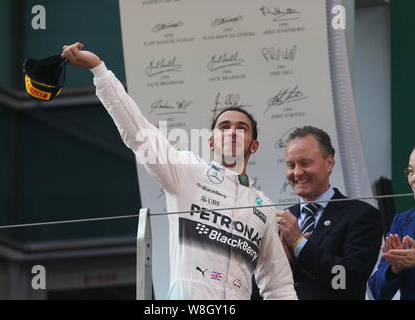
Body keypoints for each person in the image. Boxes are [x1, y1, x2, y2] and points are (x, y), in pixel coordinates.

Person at [61, 42, 297, 300]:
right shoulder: (188, 172)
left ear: (254, 145)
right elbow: (141, 135)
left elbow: (279, 286)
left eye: (241, 128)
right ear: (211, 142)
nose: (231, 132)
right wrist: (100, 71)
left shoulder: (263, 207)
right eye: (224, 127)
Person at [276, 126, 382, 299]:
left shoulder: (361, 215)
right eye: (290, 165)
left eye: (305, 163)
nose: (296, 172)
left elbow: (347, 279)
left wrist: (299, 244)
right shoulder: (281, 222)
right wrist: (279, 264)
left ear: (329, 163)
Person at [368, 147, 415, 300]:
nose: (413, 179)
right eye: (410, 171)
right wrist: (395, 268)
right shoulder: (402, 221)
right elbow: (377, 292)